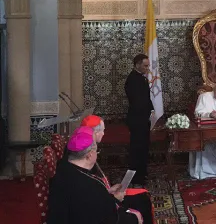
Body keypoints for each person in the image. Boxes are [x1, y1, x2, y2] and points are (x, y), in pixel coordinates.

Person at [48, 127, 144, 224]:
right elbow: (109, 218)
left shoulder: (63, 167)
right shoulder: (91, 185)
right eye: (97, 151)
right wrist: (135, 219)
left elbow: (89, 202)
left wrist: (107, 193)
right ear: (90, 155)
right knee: (141, 207)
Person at [79, 114, 154, 224]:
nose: (104, 133)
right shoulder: (84, 155)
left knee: (143, 199)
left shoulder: (86, 149)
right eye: (102, 130)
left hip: (104, 197)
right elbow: (92, 200)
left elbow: (96, 188)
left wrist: (108, 191)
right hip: (102, 210)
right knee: (142, 202)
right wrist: (114, 197)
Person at [125, 53, 155, 186]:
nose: (148, 68)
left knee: (143, 147)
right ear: (137, 65)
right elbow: (137, 102)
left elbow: (147, 98)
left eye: (148, 66)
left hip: (143, 119)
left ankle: (142, 172)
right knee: (137, 148)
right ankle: (136, 177)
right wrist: (147, 112)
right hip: (137, 120)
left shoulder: (141, 78)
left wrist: (151, 110)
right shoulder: (132, 80)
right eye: (145, 66)